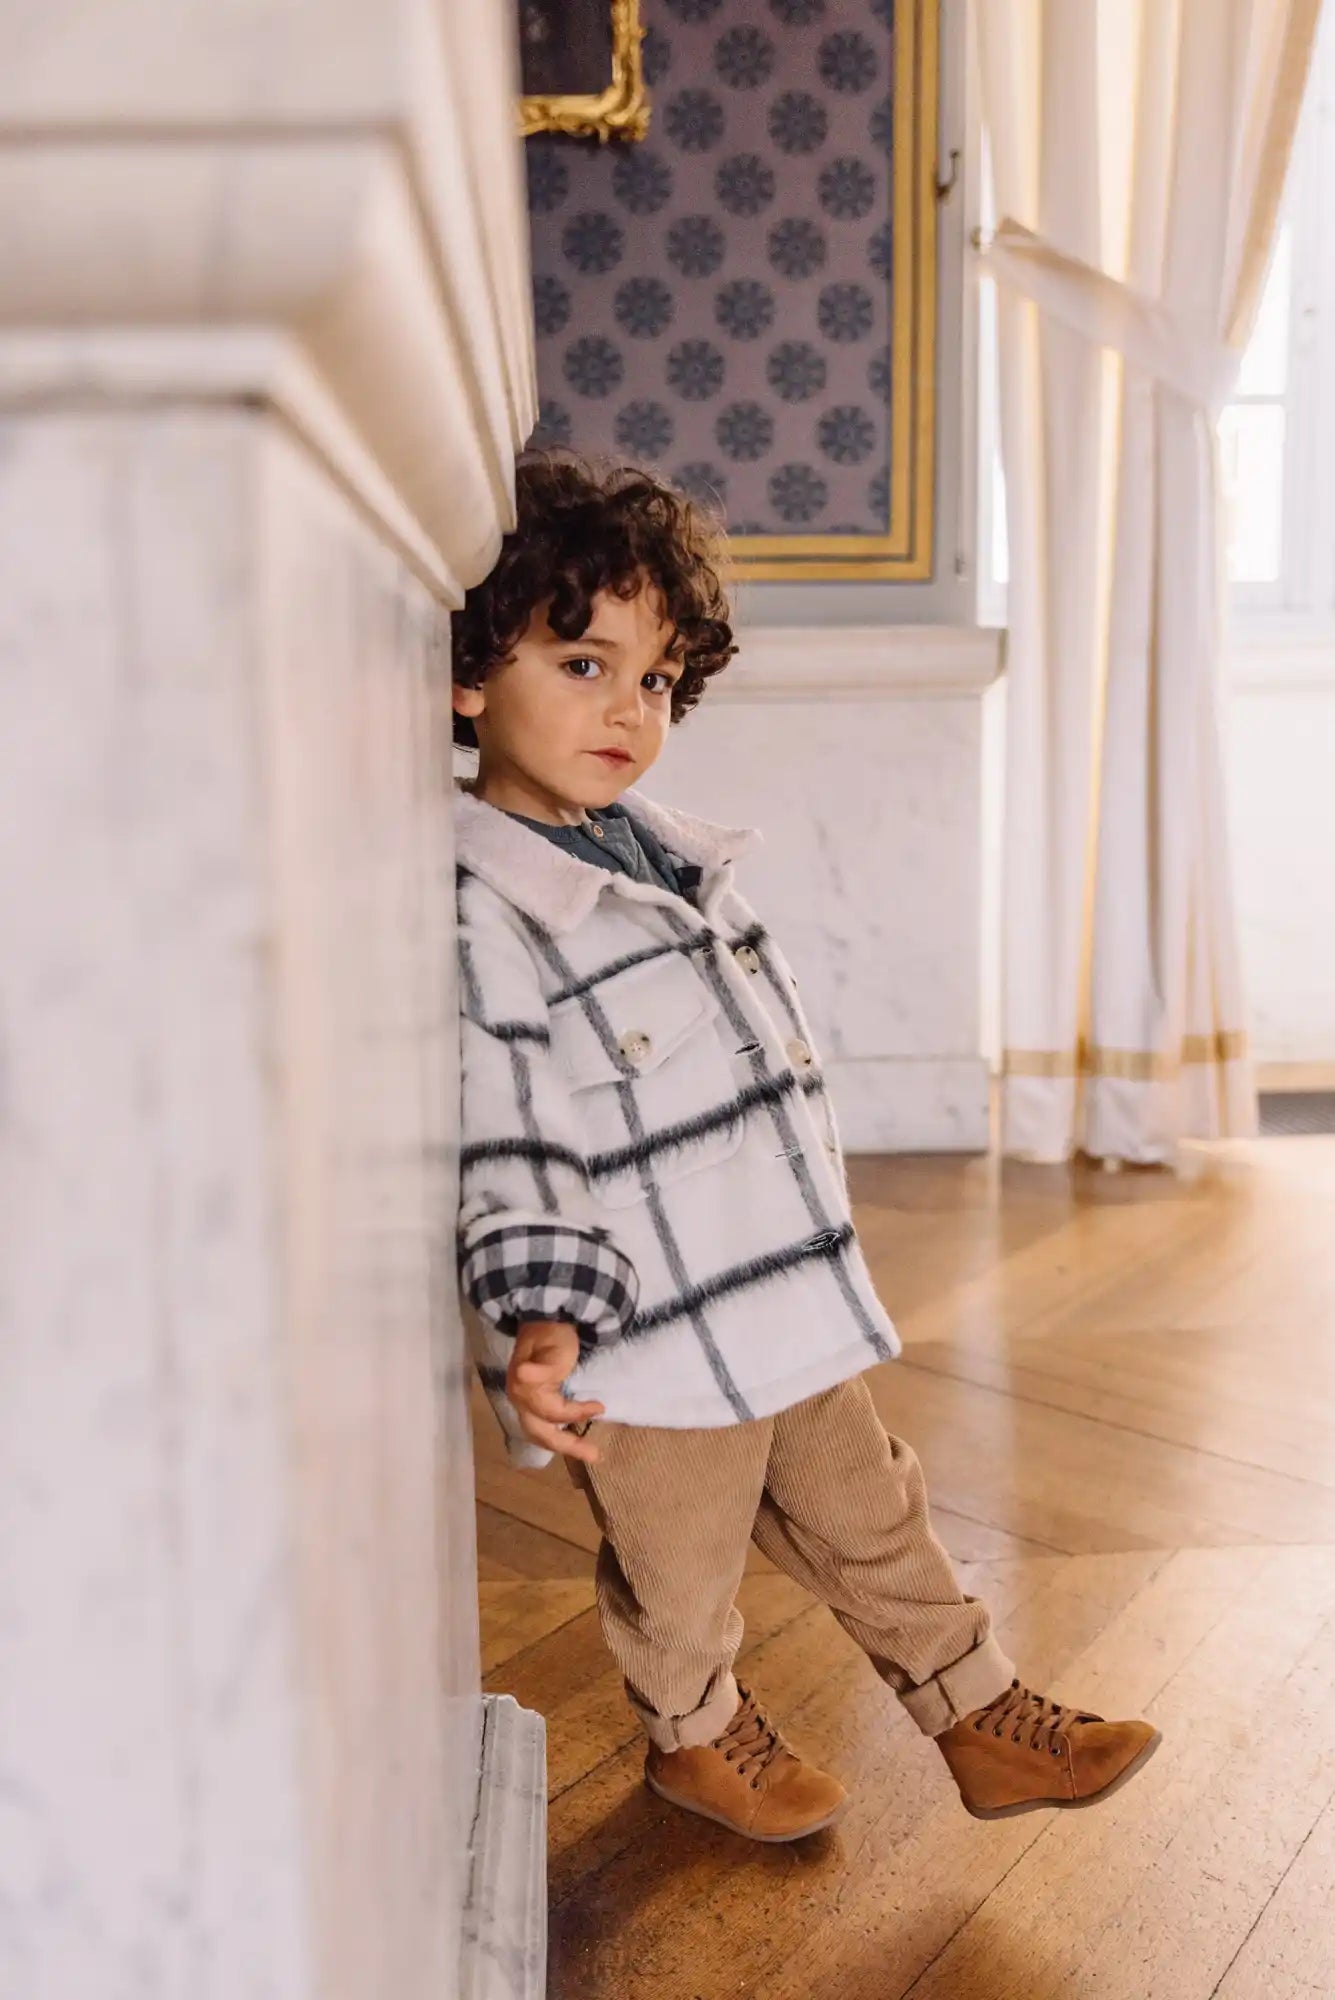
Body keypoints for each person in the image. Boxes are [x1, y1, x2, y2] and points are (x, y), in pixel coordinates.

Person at [452, 452, 1159, 1840]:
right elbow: (506, 1121)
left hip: (772, 1288)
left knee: (873, 1509)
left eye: (654, 682)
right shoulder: (488, 915)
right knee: (681, 1560)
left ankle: (981, 1714)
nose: (628, 710)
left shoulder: (662, 857)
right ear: (472, 675)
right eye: (583, 665)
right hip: (642, 1336)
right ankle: (694, 1736)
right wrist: (542, 1312)